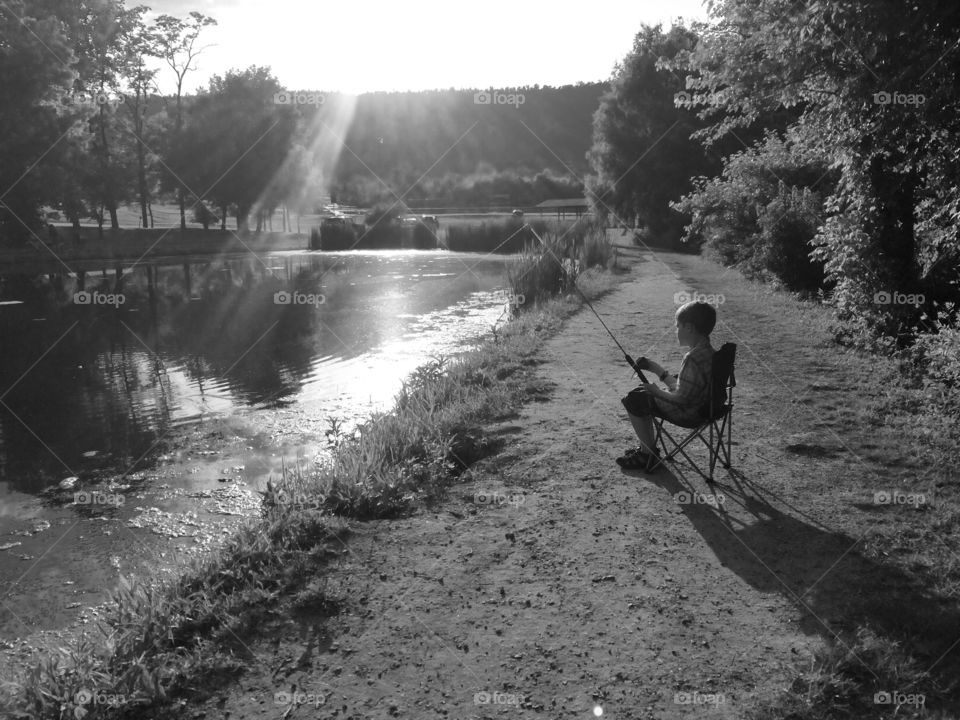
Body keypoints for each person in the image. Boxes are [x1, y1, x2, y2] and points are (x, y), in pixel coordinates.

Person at [617, 300, 717, 471]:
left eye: (678, 326)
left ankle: (647, 455)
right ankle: (646, 449)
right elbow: (683, 387)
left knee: (634, 399)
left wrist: (656, 391)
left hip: (689, 413)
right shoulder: (710, 352)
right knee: (641, 394)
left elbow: (681, 399)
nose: (676, 330)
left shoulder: (692, 358)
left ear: (689, 328)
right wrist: (656, 369)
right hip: (707, 407)